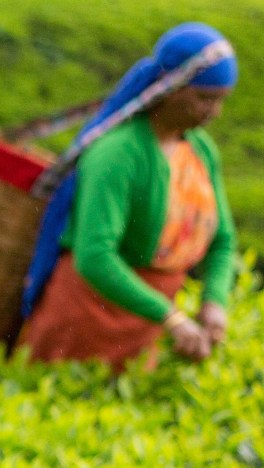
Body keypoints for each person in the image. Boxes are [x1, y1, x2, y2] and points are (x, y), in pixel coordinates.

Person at [20, 23, 238, 370]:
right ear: (170, 88)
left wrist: (214, 302)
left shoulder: (200, 150)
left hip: (147, 321)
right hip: (87, 316)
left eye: (220, 100)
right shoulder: (117, 154)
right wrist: (171, 317)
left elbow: (223, 240)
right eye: (205, 98)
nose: (214, 112)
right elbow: (94, 256)